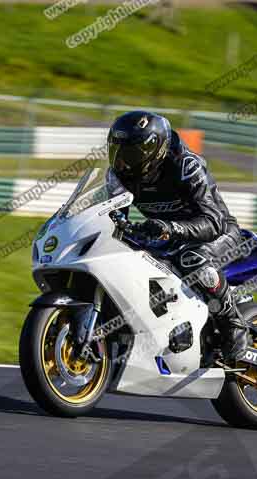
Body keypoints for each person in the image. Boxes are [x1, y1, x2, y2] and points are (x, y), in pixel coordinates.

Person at [105, 110, 248, 362]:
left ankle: (233, 323)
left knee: (192, 259)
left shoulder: (186, 165)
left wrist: (170, 228)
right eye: (118, 152)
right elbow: (112, 216)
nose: (123, 161)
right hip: (167, 238)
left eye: (131, 154)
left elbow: (214, 221)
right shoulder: (119, 175)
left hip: (217, 234)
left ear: (154, 150)